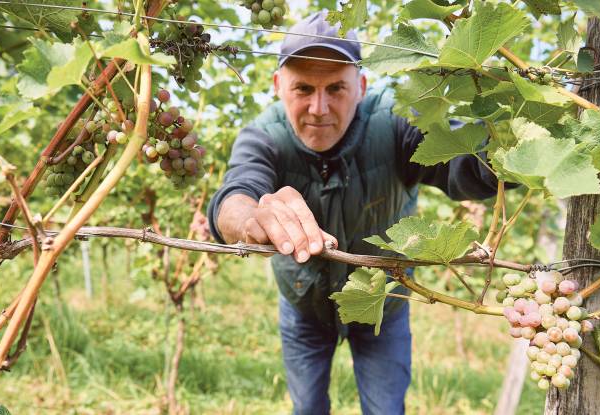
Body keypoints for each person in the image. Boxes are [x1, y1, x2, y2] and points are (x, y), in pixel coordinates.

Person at [206, 11, 502, 415]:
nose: (319, 107)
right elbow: (235, 195)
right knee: (308, 408)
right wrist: (249, 217)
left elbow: (459, 163)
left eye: (336, 89)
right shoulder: (263, 137)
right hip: (304, 308)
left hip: (383, 306)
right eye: (303, 88)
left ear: (361, 86)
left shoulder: (397, 121)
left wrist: (510, 151)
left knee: (385, 410)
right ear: (278, 86)